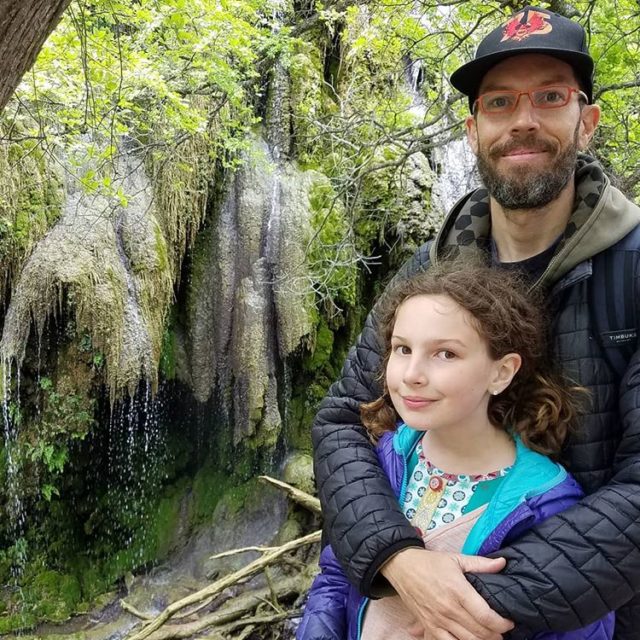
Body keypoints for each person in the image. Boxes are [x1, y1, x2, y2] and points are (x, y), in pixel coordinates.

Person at [312, 5, 640, 640]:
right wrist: (397, 560)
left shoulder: (632, 274)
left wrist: (455, 601)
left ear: (587, 121)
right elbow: (341, 420)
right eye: (499, 103)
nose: (523, 121)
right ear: (472, 128)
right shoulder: (427, 271)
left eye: (549, 96)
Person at [300, 263, 614, 640]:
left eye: (445, 354)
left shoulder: (547, 506)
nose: (412, 373)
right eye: (402, 349)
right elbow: (337, 573)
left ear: (502, 372)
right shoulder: (383, 456)